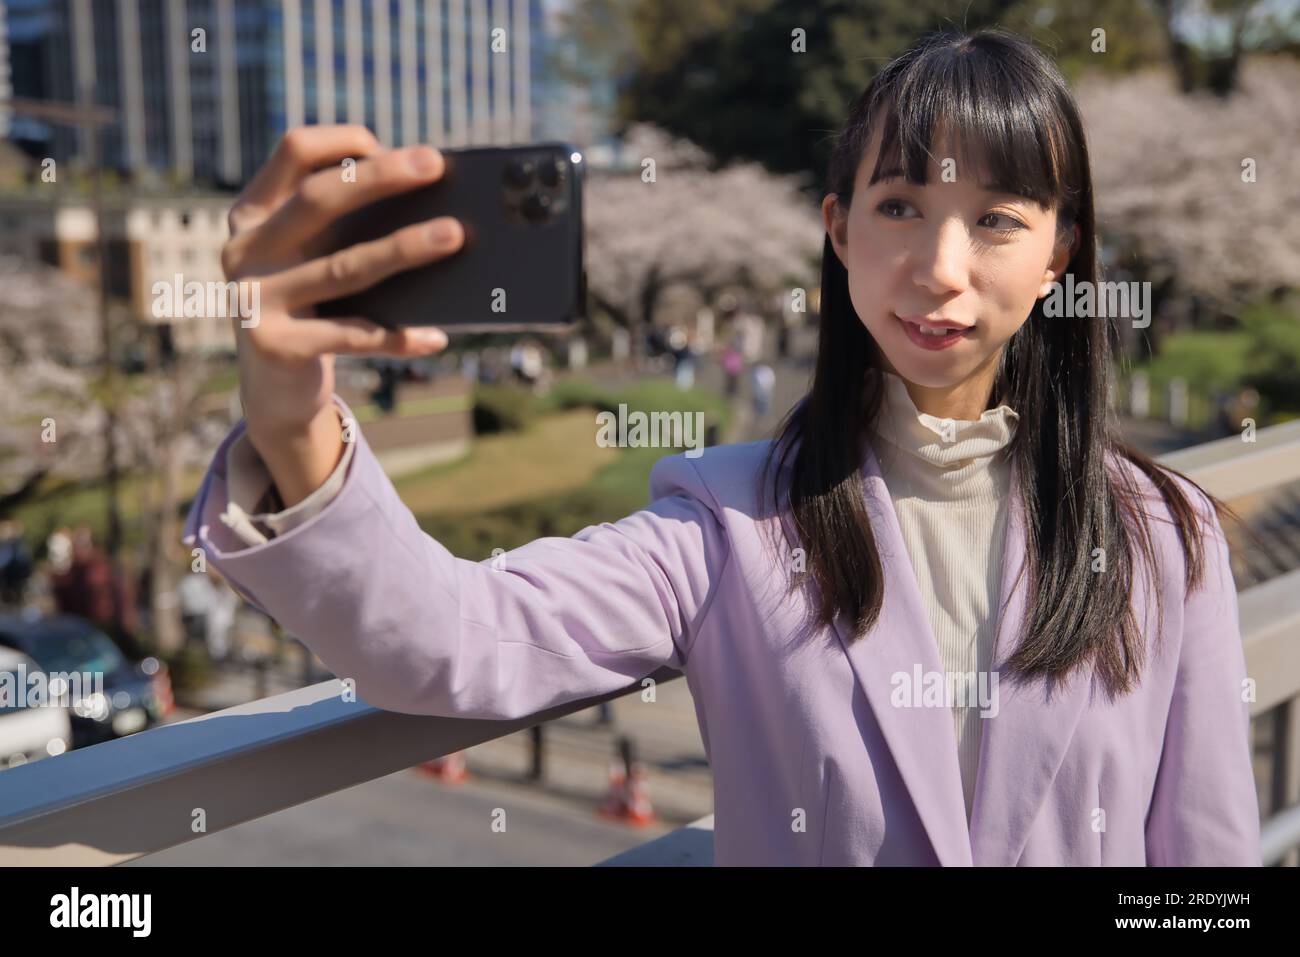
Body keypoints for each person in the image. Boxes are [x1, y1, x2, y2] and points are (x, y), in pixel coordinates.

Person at [182, 30, 1259, 866]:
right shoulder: (730, 523)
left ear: (1061, 254)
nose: (937, 266)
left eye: (995, 220)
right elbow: (446, 640)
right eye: (898, 205)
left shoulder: (1164, 540)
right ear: (838, 235)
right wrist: (289, 413)